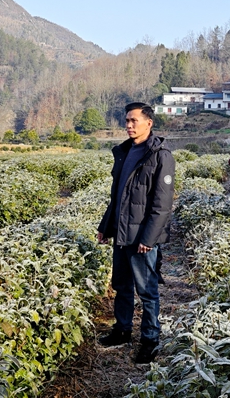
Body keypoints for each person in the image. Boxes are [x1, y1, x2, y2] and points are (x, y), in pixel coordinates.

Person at [97, 102, 175, 364]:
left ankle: (150, 340)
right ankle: (122, 330)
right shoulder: (125, 151)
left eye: (134, 121)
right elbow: (117, 196)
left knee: (147, 291)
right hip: (122, 232)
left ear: (149, 123)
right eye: (127, 121)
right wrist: (106, 226)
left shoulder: (160, 156)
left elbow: (162, 205)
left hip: (142, 237)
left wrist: (148, 239)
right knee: (121, 286)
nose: (129, 126)